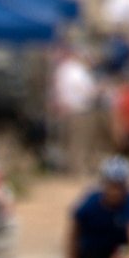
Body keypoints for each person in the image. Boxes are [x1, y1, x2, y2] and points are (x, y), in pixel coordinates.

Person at [52, 46, 101, 175]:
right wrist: (97, 91)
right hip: (78, 110)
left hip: (67, 109)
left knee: (68, 142)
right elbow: (87, 91)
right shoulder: (77, 71)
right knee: (79, 143)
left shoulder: (63, 69)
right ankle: (76, 170)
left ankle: (68, 168)